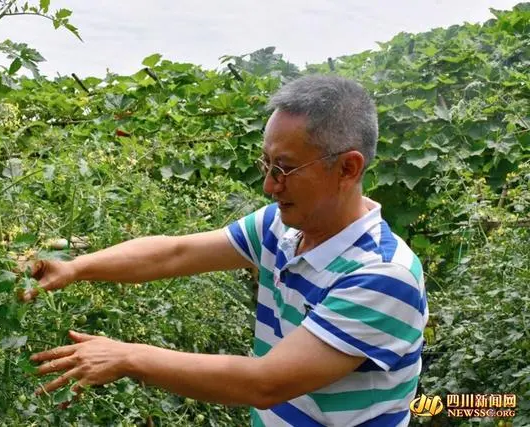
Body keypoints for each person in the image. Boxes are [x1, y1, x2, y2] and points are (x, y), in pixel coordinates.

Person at [22, 75, 428, 427]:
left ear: (348, 168)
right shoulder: (281, 226)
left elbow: (265, 382)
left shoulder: (383, 276)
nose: (270, 186)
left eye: (284, 169)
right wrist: (75, 268)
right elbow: (175, 253)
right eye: (265, 165)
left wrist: (128, 357)